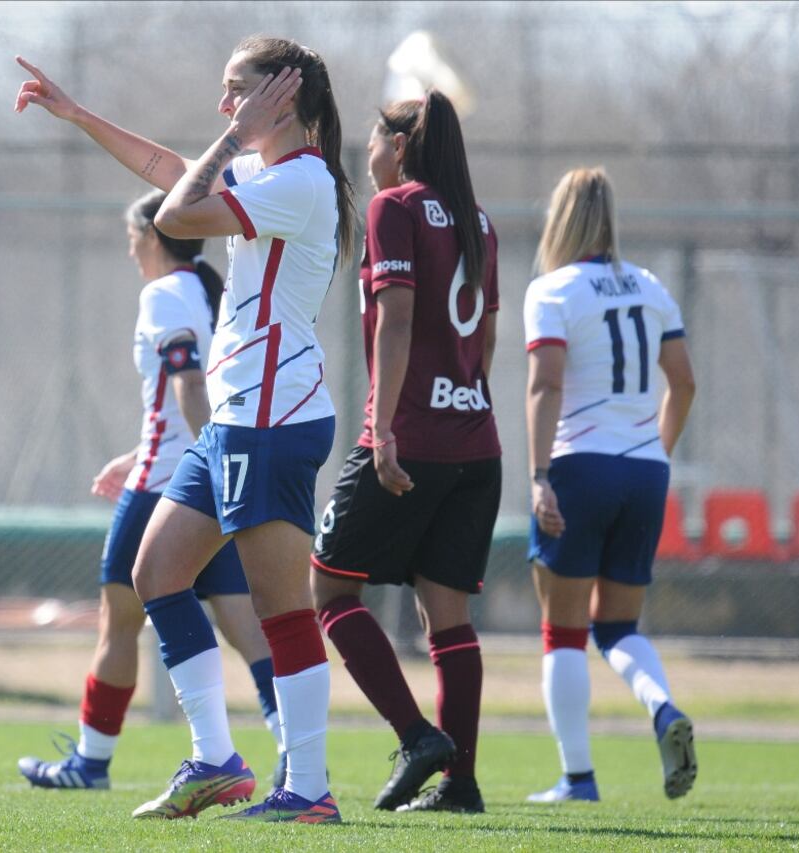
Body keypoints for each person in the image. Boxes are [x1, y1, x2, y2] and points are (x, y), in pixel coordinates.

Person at [13, 34, 354, 823]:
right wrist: (77, 115)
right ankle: (216, 760)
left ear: (281, 98)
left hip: (271, 416)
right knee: (156, 572)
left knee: (281, 610)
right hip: (238, 417)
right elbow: (168, 170)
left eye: (238, 88)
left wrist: (234, 137)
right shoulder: (271, 174)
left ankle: (308, 789)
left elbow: (175, 213)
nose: (223, 103)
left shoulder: (300, 181)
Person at [16, 189, 286, 791]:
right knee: (245, 626)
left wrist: (203, 464)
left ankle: (91, 762)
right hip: (202, 476)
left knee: (119, 622)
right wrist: (163, 456)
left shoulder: (164, 293)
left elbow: (188, 384)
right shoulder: (210, 291)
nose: (130, 250)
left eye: (132, 237)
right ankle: (293, 749)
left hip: (169, 485)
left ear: (154, 235)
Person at [310, 91, 500, 814]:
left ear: (398, 145)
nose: (366, 151)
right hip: (476, 440)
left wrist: (383, 428)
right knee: (447, 616)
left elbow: (396, 318)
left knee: (330, 591)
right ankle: (461, 783)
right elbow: (486, 335)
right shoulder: (479, 219)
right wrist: (462, 398)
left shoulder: (394, 206)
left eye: (372, 139)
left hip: (409, 436)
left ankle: (418, 736)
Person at [523, 167, 698, 803]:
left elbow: (545, 385)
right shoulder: (651, 286)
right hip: (645, 470)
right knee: (619, 627)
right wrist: (655, 452)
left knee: (563, 630)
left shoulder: (552, 290)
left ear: (561, 219)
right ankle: (662, 707)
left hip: (580, 467)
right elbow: (684, 383)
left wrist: (539, 477)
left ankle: (578, 779)